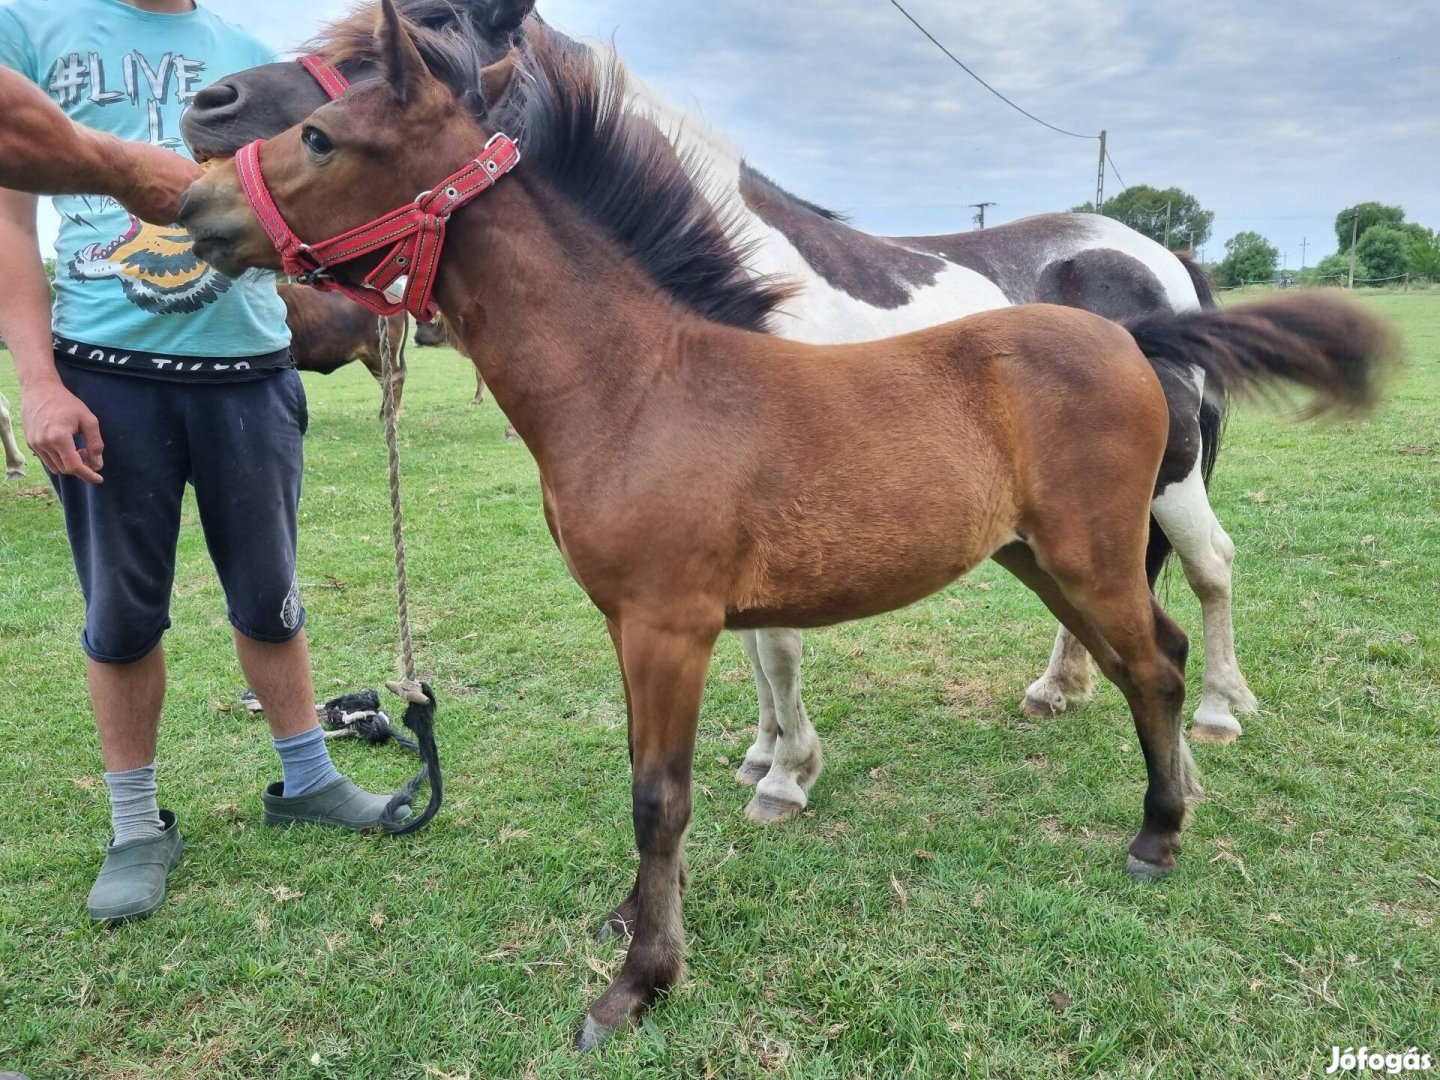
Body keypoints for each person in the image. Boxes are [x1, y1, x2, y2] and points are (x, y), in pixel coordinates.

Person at [0, 0, 406, 926]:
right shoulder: (30, 27)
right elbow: (10, 224)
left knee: (271, 593)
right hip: (106, 375)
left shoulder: (256, 59)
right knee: (122, 613)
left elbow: (311, 202)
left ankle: (307, 777)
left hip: (250, 373)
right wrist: (38, 381)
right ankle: (137, 826)